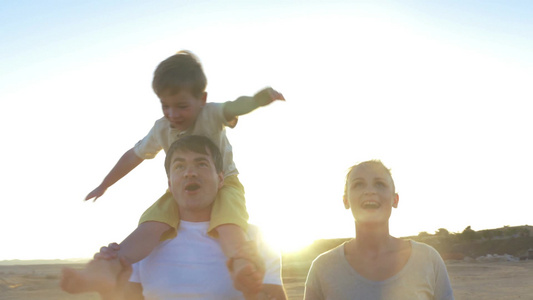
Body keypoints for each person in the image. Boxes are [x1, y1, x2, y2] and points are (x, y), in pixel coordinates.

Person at [61, 51, 285, 296]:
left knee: (230, 224)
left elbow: (236, 106)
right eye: (165, 106)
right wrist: (105, 184)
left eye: (181, 106)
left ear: (202, 99)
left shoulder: (211, 113)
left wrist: (262, 98)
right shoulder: (161, 129)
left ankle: (242, 265)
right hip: (177, 190)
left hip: (226, 183)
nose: (173, 114)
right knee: (150, 224)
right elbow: (133, 156)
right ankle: (107, 270)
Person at [80, 135, 287, 299]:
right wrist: (109, 292)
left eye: (201, 164)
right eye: (180, 166)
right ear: (169, 183)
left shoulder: (254, 239)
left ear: (221, 178)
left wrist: (251, 293)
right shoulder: (142, 244)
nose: (190, 173)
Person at [304, 160, 454, 300]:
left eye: (380, 184)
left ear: (395, 199)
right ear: (346, 200)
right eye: (358, 184)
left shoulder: (428, 260)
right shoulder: (322, 268)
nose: (370, 191)